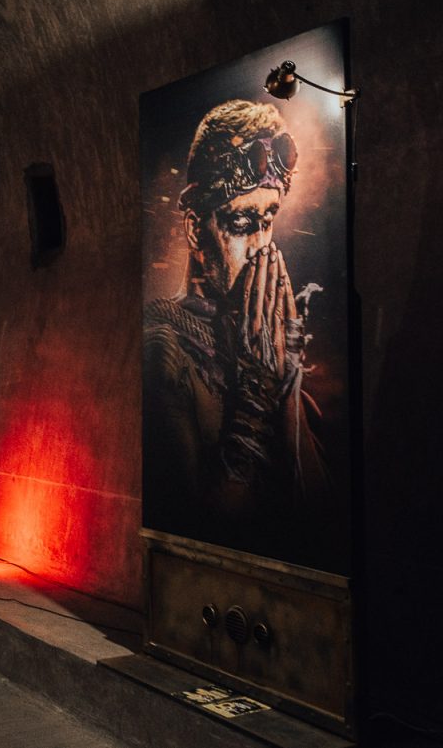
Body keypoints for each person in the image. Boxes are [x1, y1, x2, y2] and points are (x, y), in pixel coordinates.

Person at [143, 99, 328, 559]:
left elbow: (320, 512)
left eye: (269, 220)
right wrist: (252, 404)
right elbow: (198, 533)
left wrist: (286, 382)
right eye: (242, 222)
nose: (262, 247)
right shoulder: (163, 345)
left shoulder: (260, 334)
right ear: (195, 229)